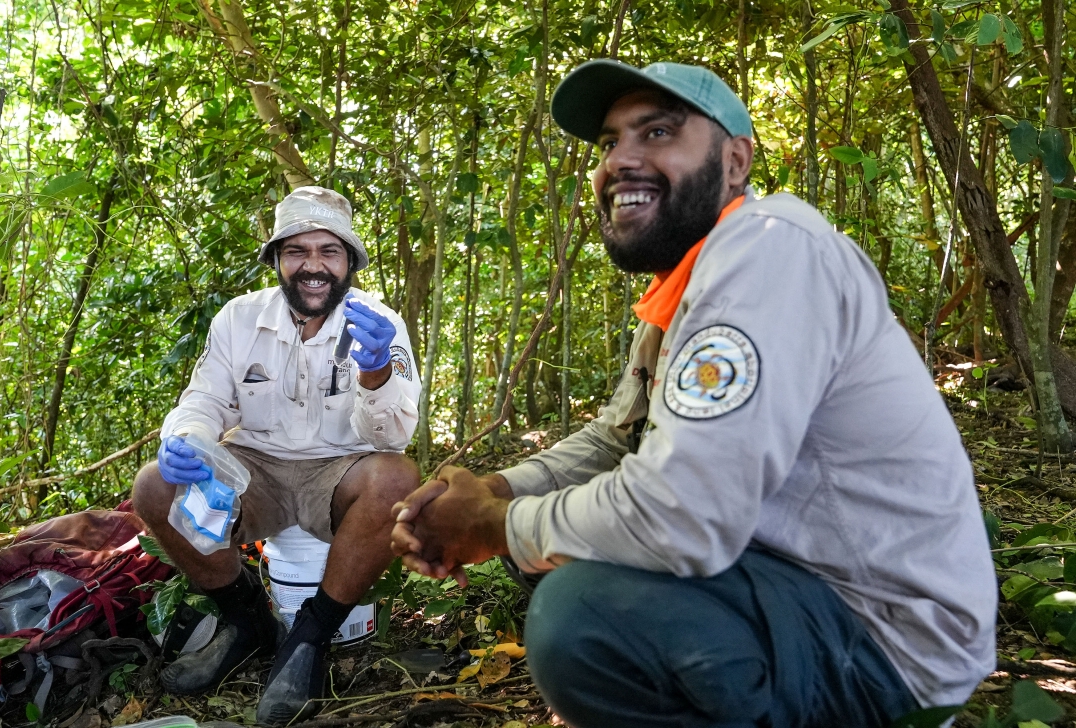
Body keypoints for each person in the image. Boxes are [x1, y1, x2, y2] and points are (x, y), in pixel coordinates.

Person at [389, 61, 997, 727]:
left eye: (656, 133)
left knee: (581, 610)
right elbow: (612, 441)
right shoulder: (685, 288)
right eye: (609, 143)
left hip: (884, 641)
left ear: (735, 162)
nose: (620, 160)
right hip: (790, 586)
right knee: (554, 539)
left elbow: (683, 515)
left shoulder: (769, 248)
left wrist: (491, 526)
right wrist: (497, 491)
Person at [132, 186, 421, 725]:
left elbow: (393, 438)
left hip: (340, 472)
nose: (313, 266)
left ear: (349, 261)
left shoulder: (380, 323)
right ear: (277, 261)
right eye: (297, 252)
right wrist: (185, 438)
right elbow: (206, 398)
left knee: (398, 479)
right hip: (254, 468)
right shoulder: (238, 318)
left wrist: (377, 372)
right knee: (153, 486)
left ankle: (311, 635)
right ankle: (245, 622)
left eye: (329, 252)